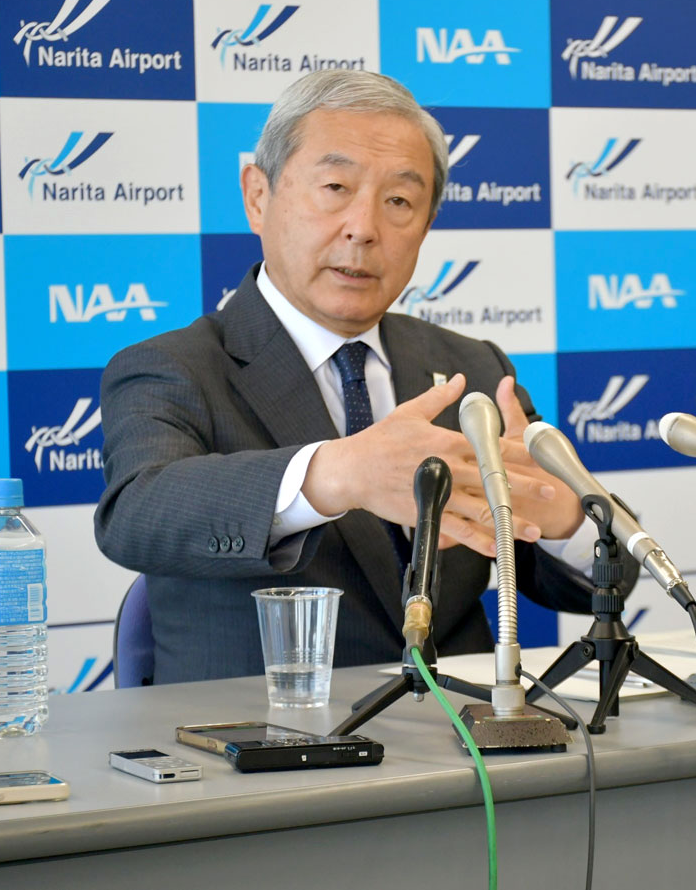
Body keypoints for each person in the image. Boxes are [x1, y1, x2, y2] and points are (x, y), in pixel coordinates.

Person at [94, 69, 636, 685]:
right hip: (261, 729)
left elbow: (610, 577)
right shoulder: (173, 367)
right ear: (258, 196)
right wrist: (339, 473)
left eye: (399, 201)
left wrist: (565, 517)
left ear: (427, 224)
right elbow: (136, 515)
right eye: (335, 187)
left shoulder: (474, 371)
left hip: (461, 730)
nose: (364, 228)